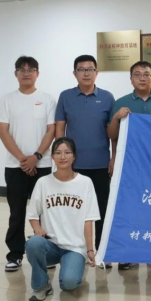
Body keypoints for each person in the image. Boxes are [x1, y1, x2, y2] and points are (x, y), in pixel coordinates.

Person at [0, 56, 56, 272]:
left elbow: (51, 131)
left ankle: (47, 253)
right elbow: (3, 132)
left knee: (44, 212)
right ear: (16, 74)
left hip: (43, 164)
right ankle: (15, 254)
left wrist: (36, 156)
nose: (26, 73)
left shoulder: (48, 99)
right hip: (15, 166)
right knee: (17, 211)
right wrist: (23, 159)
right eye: (22, 70)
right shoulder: (6, 100)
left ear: (38, 73)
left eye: (31, 70)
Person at [55, 55, 115, 266]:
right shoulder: (66, 96)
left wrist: (113, 158)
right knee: (74, 210)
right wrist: (61, 158)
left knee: (101, 209)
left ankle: (101, 252)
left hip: (100, 164)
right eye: (81, 69)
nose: (86, 73)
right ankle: (75, 251)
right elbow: (60, 129)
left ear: (96, 72)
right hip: (74, 166)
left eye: (90, 69)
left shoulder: (107, 97)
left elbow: (113, 132)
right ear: (75, 73)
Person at [108, 60, 151, 270]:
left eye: (146, 74)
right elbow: (112, 135)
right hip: (129, 165)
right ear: (131, 79)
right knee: (129, 210)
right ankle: (128, 253)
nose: (142, 78)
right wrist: (116, 117)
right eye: (138, 74)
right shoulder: (121, 102)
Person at [26, 137, 100, 301]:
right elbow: (32, 215)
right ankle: (41, 285)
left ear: (74, 156)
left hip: (74, 248)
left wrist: (90, 250)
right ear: (52, 156)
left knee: (69, 283)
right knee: (33, 243)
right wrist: (37, 229)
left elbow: (89, 220)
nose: (63, 157)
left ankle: (73, 268)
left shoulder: (85, 182)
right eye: (58, 153)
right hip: (50, 245)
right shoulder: (43, 182)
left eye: (67, 152)